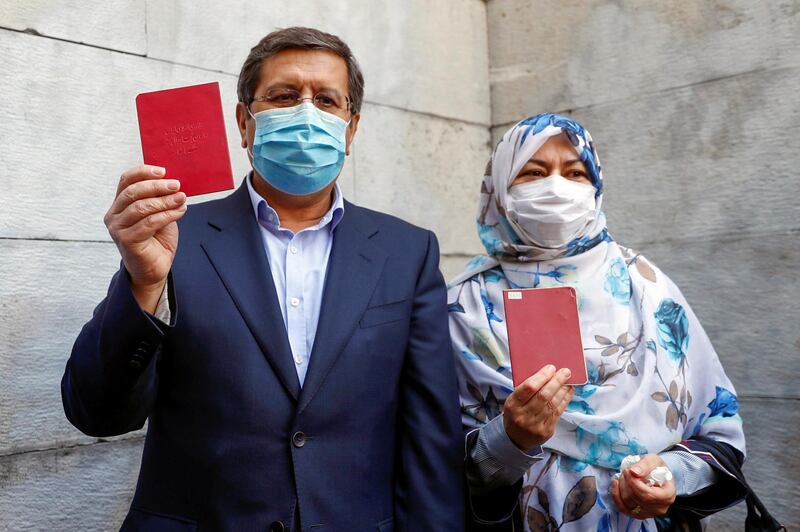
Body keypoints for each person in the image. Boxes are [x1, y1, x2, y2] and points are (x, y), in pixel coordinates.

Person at [62, 27, 464, 531]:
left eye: (326, 100)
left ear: (351, 127)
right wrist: (143, 286)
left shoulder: (407, 252)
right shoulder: (173, 239)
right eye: (284, 96)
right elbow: (95, 413)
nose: (305, 113)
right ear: (244, 122)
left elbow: (430, 438)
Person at [449, 114, 748, 531]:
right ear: (500, 187)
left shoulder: (645, 287)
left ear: (596, 188)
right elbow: (430, 463)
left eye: (575, 173)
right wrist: (511, 439)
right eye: (534, 173)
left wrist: (668, 476)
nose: (557, 187)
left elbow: (719, 428)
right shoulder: (463, 305)